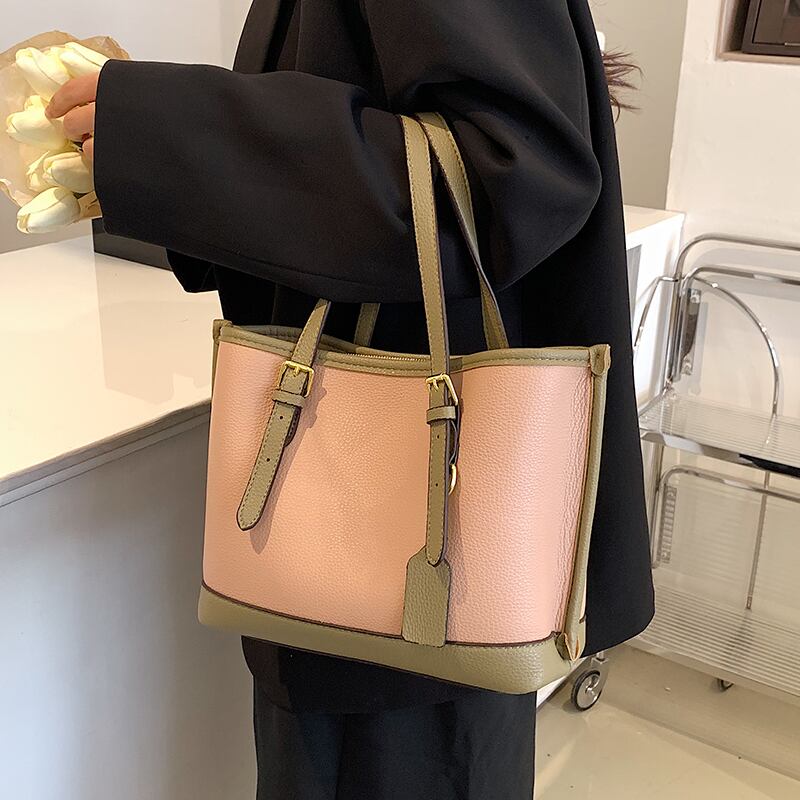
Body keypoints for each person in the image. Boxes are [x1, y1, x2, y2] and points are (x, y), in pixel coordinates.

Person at [45, 1, 654, 797]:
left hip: (421, 560)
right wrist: (160, 161)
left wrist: (178, 138)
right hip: (368, 542)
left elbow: (512, 169)